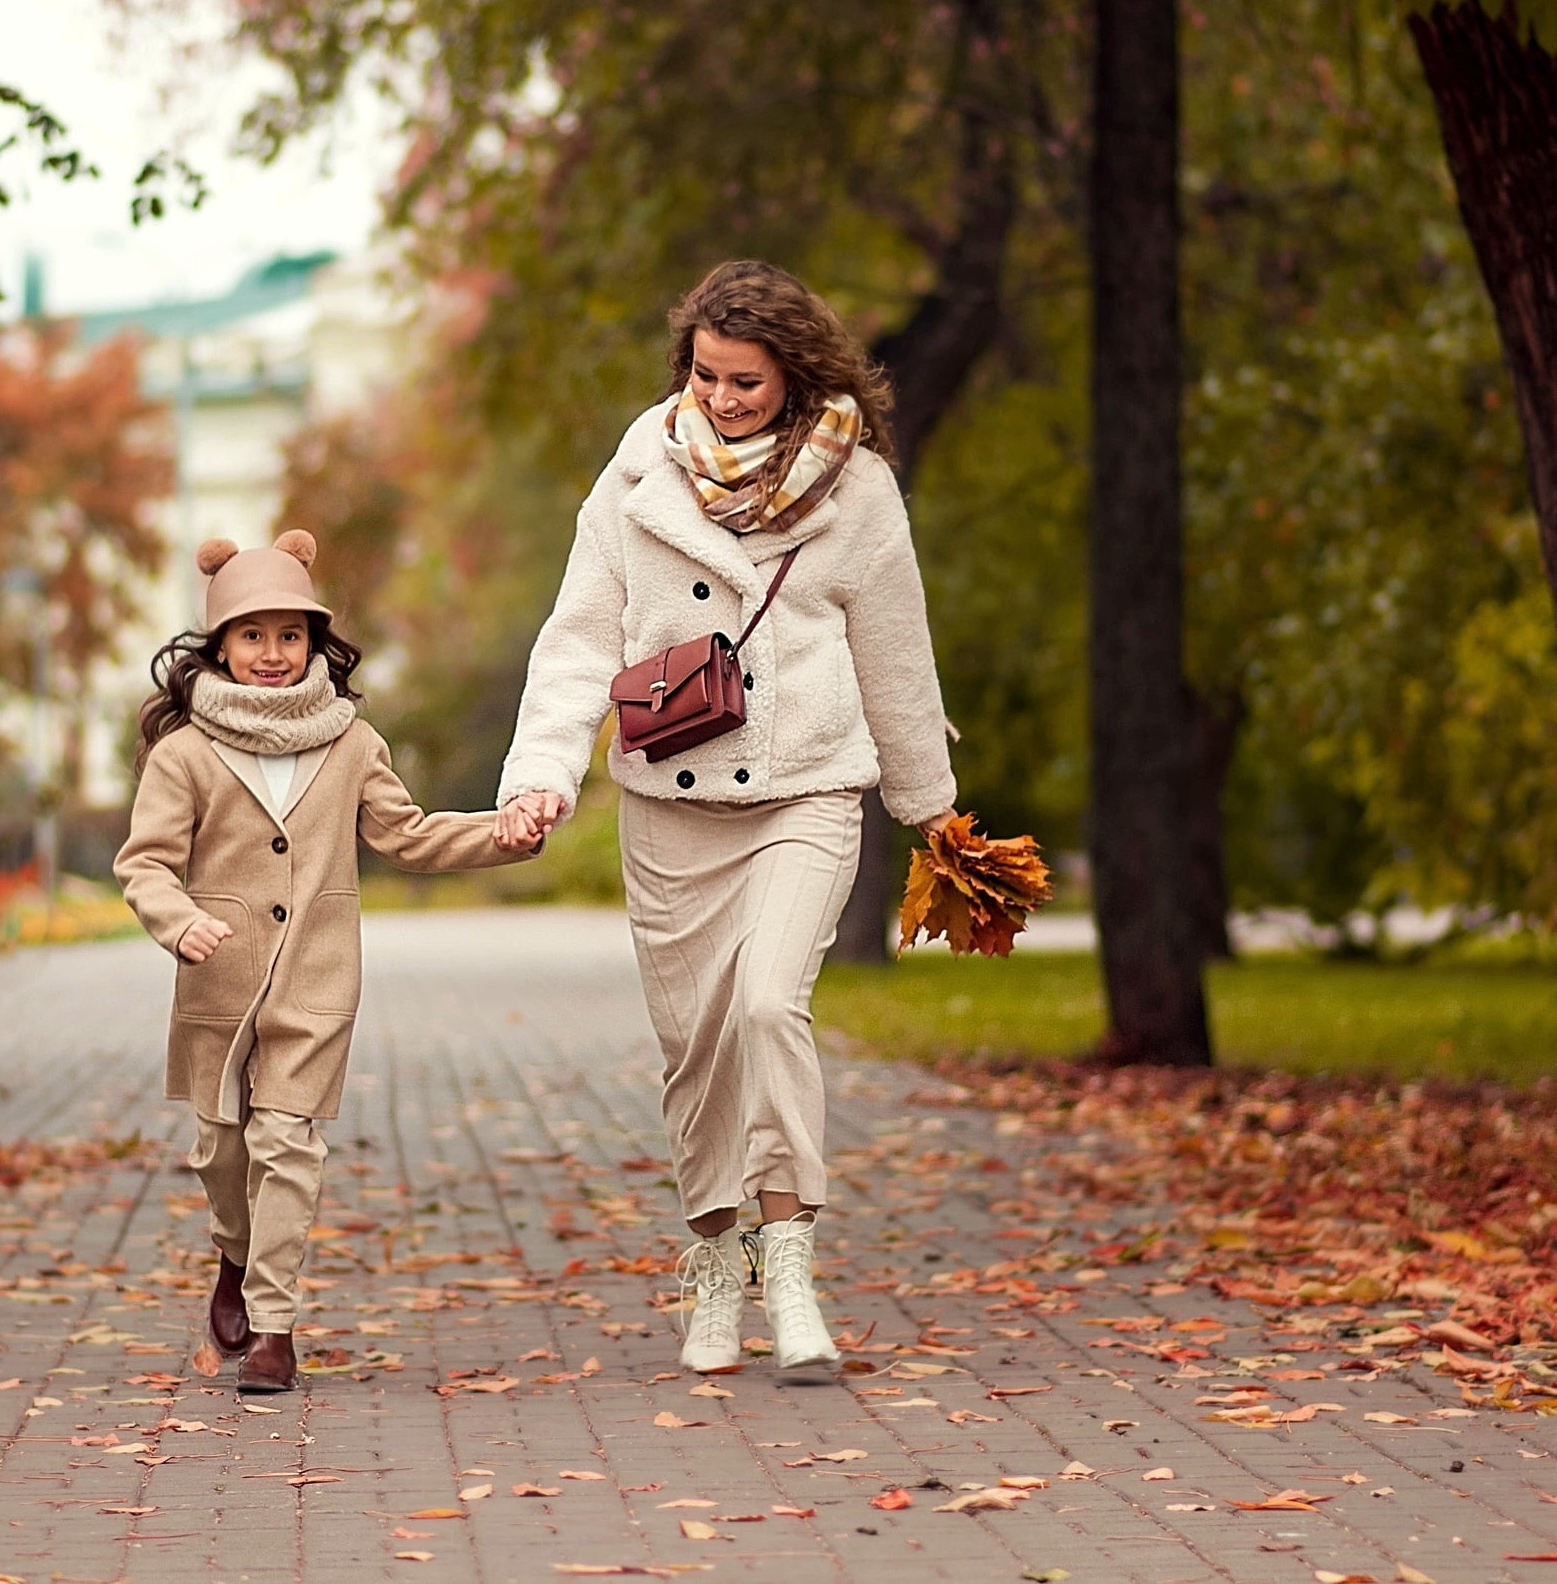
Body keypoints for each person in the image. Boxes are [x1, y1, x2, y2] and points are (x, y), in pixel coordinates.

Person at [494, 261, 958, 1377]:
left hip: (806, 787)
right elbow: (578, 637)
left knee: (765, 1006)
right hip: (673, 806)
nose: (720, 397)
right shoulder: (637, 473)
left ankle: (789, 1262)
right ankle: (713, 1264)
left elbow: (896, 655)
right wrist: (541, 771)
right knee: (696, 1052)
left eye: (744, 380)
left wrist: (933, 809)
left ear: (796, 373)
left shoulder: (858, 489)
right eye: (704, 375)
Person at [117, 531, 540, 1392]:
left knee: (286, 1145)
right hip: (218, 980)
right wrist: (178, 920)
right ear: (221, 645)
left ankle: (273, 1330)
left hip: (317, 978)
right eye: (252, 635)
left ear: (316, 642)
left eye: (290, 635)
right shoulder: (184, 753)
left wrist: (501, 835)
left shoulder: (352, 745)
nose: (273, 653)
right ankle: (235, 1255)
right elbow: (145, 863)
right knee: (222, 1153)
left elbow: (407, 835)